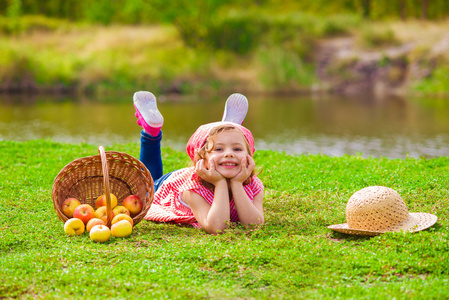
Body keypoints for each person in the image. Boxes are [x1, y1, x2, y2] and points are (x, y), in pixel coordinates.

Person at [133, 91, 264, 234]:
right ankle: (151, 133)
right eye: (219, 148)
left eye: (237, 148)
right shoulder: (193, 188)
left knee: (224, 140)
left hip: (200, 171)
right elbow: (217, 227)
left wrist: (237, 183)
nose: (229, 153)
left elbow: (254, 225)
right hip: (169, 186)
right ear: (202, 158)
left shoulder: (254, 184)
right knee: (146, 187)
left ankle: (225, 130)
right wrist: (220, 183)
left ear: (249, 156)